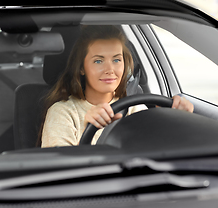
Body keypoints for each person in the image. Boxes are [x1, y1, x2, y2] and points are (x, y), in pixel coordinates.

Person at [40, 25, 194, 147]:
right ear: (81, 68)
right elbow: (60, 173)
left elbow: (158, 152)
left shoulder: (135, 108)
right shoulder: (63, 113)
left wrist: (176, 123)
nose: (110, 70)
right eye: (98, 61)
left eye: (116, 60)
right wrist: (89, 130)